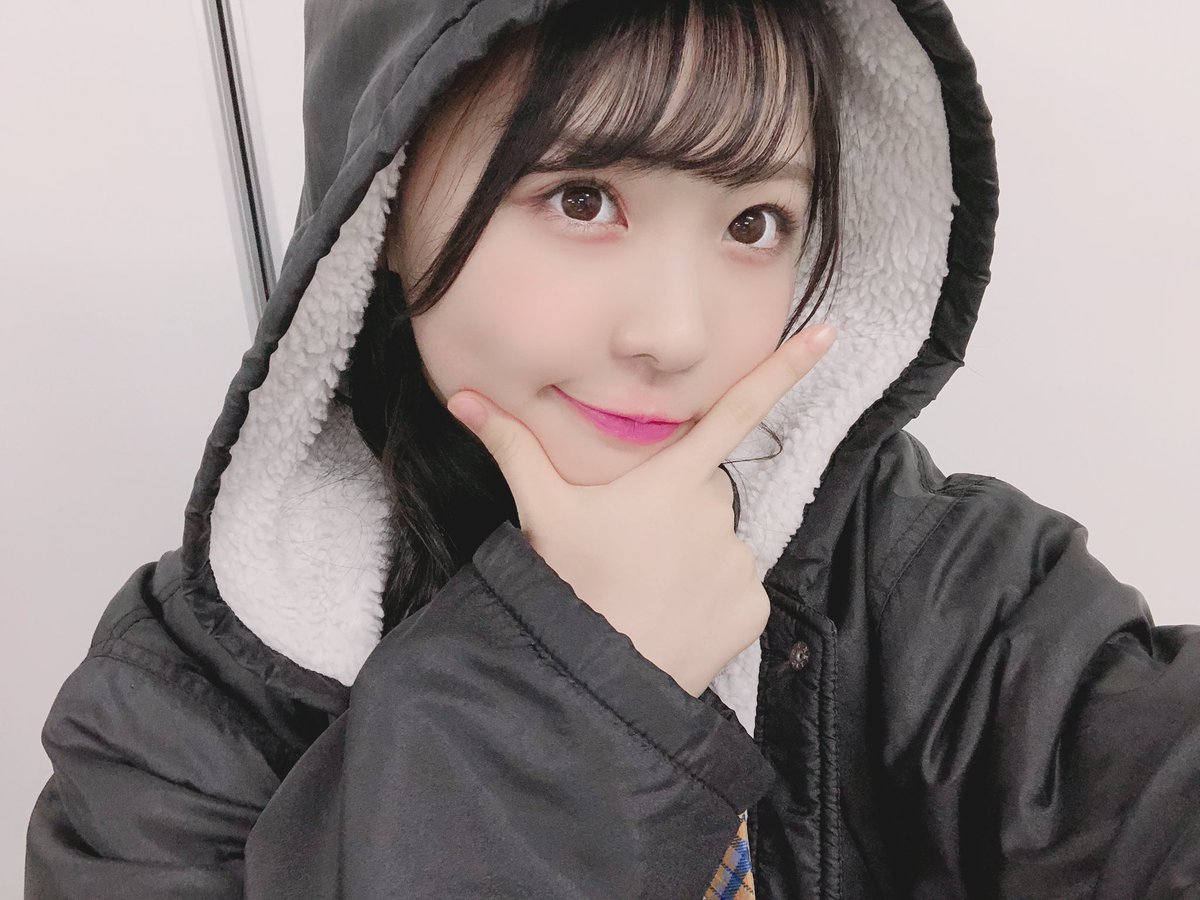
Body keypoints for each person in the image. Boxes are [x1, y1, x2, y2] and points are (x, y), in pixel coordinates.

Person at [23, 0, 1200, 897]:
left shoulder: (936, 584)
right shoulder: (172, 731)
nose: (676, 335)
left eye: (754, 222)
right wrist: (577, 687)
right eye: (583, 199)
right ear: (383, 203)